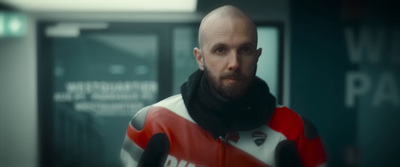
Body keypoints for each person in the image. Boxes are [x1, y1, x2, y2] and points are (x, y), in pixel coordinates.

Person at [120, 5, 326, 167]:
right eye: (220, 50)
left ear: (257, 56)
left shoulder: (296, 132)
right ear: (200, 58)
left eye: (245, 49)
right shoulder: (152, 124)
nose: (234, 63)